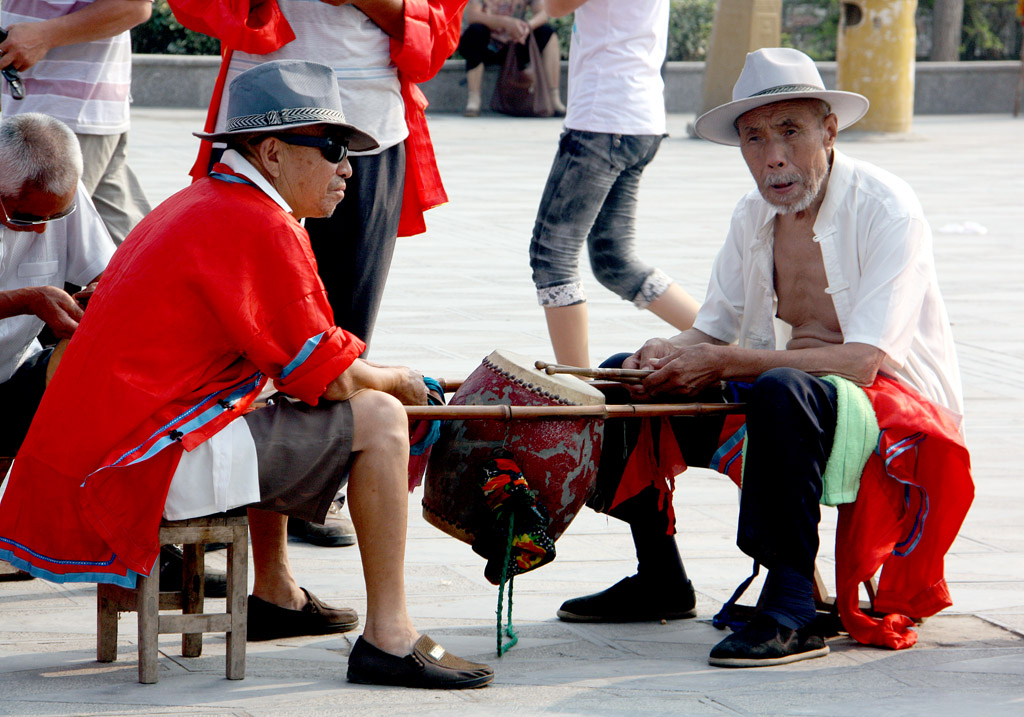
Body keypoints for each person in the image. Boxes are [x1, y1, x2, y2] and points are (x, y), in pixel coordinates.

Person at [0, 61, 494, 689]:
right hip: (130, 468)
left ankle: (277, 590)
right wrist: (399, 380)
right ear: (272, 152)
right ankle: (389, 636)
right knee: (382, 418)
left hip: (104, 456)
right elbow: (331, 375)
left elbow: (298, 364)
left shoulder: (205, 201)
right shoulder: (256, 221)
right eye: (335, 148)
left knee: (269, 392)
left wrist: (365, 372)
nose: (348, 168)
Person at [557, 48, 973, 668]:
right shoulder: (753, 215)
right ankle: (659, 577)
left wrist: (725, 361)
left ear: (828, 131)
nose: (773, 156)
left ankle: (791, 605)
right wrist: (665, 353)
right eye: (754, 138)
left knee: (779, 386)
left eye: (790, 132)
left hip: (893, 408)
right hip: (788, 394)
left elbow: (864, 362)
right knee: (625, 378)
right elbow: (714, 329)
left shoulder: (887, 206)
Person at [179, 0, 466, 548]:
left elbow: (437, 33)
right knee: (241, 328)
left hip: (369, 123)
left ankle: (305, 498)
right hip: (262, 125)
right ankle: (218, 491)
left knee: (341, 333)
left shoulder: (347, 164)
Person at [529, 0, 700, 369]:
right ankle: (721, 341)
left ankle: (579, 393)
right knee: (614, 260)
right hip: (639, 117)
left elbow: (555, 6)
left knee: (552, 257)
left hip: (604, 118)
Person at [0, 0, 154, 244]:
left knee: (40, 245)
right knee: (124, 251)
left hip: (63, 116)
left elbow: (133, 6)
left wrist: (45, 35)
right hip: (58, 108)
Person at [458, 0, 565, 117]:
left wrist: (527, 27)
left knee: (548, 32)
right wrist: (505, 23)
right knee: (475, 31)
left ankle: (554, 98)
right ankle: (474, 98)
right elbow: (473, 16)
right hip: (487, 44)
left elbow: (544, 13)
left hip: (515, 43)